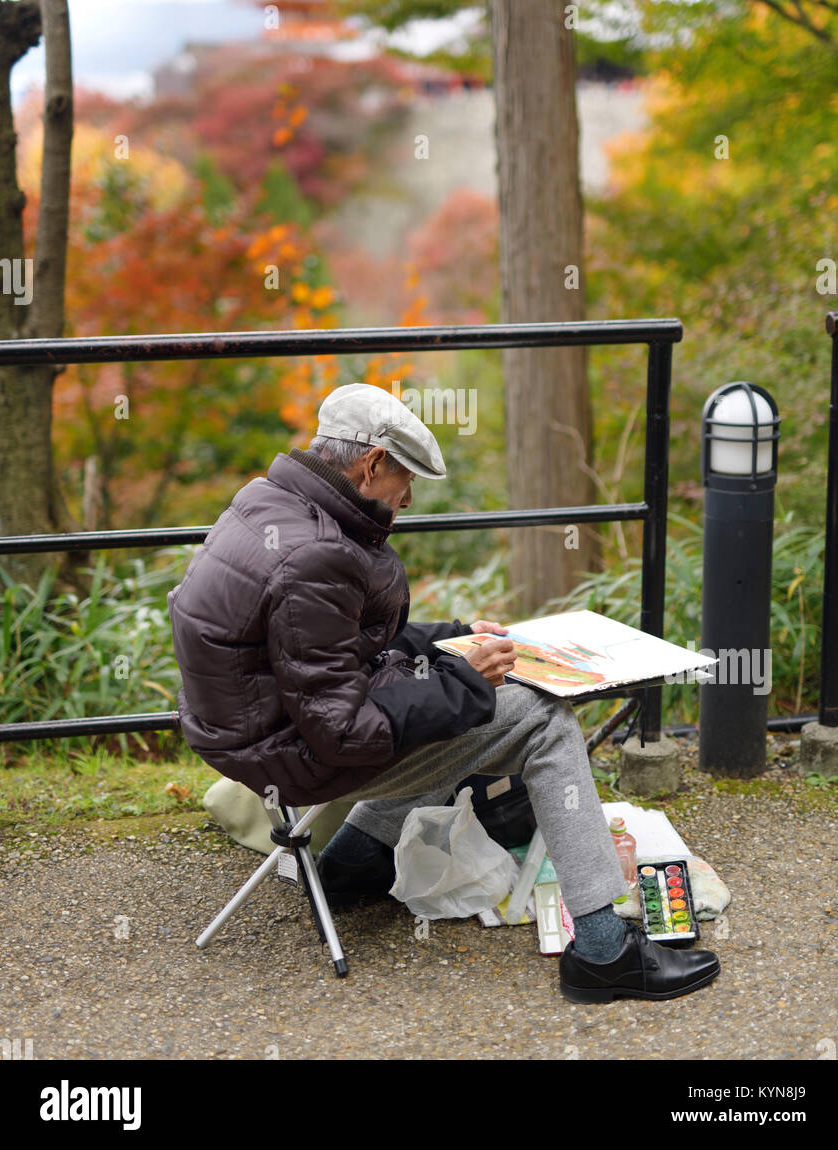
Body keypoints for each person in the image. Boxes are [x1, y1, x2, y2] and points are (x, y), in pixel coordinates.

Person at [169, 383, 720, 1004]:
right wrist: (464, 681)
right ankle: (602, 952)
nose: (407, 500)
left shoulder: (270, 503)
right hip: (293, 753)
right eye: (406, 483)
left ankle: (351, 863)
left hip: (250, 732)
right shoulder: (316, 555)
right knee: (540, 717)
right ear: (371, 463)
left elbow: (333, 645)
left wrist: (451, 642)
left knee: (457, 711)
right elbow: (344, 731)